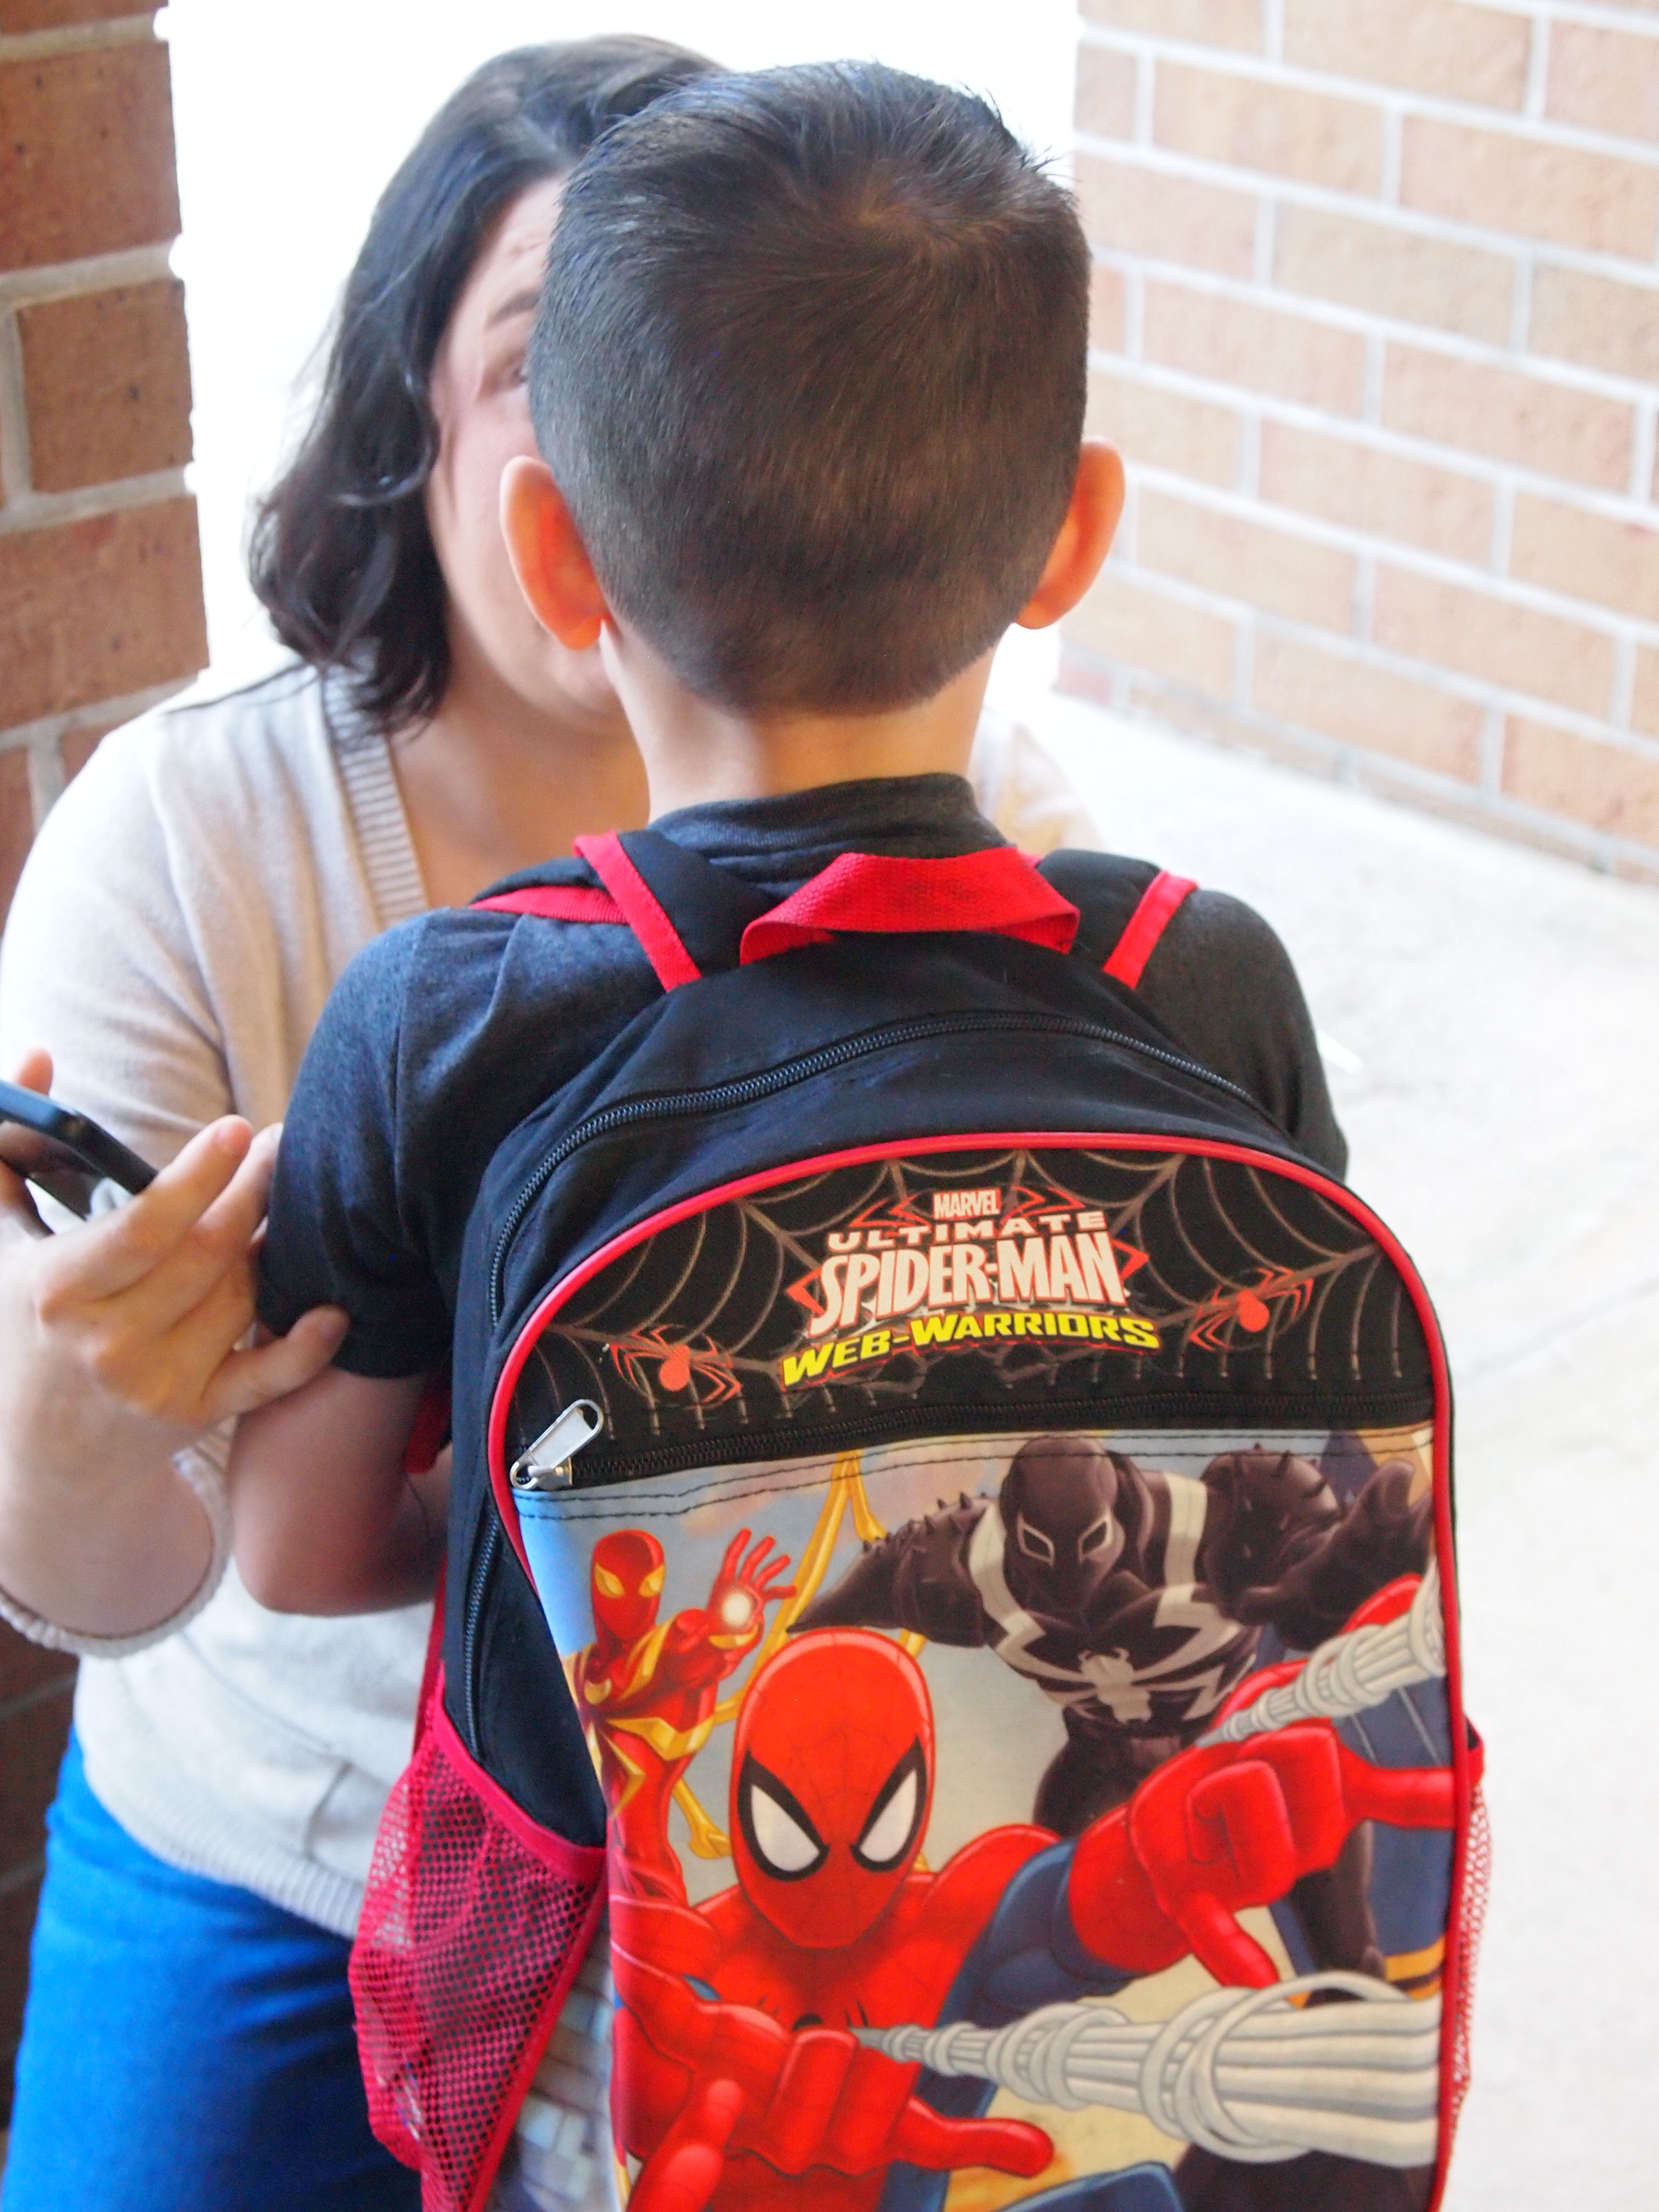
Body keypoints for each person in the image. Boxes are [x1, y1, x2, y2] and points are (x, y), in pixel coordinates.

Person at [0, 38, 1144, 2210]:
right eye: (550, 355)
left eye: (705, 357)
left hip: (778, 1851)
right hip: (275, 1838)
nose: (656, 434)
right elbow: (122, 1580)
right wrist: (75, 1413)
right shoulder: (190, 829)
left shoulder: (1008, 845)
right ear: (417, 414)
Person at [227, 62, 1350, 2207]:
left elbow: (297, 1547)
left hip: (655, 2031)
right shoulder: (1200, 980)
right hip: (1132, 2011)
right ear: (1073, 536)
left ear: (557, 553)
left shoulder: (451, 1020)